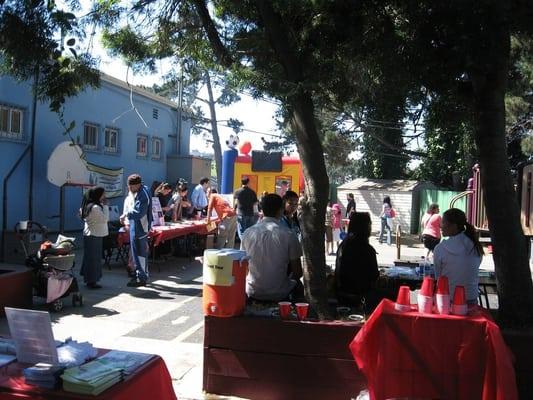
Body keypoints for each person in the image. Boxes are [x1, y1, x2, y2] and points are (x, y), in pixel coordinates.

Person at [242, 194, 303, 302]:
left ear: (262, 210)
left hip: (252, 291)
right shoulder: (288, 234)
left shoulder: (247, 233)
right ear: (281, 210)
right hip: (280, 293)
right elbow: (298, 272)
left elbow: (244, 266)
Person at [433, 208, 483, 305]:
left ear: (454, 226)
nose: (440, 226)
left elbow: (438, 278)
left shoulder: (440, 248)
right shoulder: (475, 245)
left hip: (448, 299)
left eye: (443, 223)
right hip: (471, 298)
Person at [335, 212, 379, 307]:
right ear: (366, 227)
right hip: (361, 296)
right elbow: (374, 276)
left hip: (342, 294)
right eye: (370, 224)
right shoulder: (368, 250)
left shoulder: (343, 245)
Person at [120, 174, 153, 287]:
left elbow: (139, 212)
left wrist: (126, 214)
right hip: (138, 225)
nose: (129, 189)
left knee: (139, 253)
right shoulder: (144, 190)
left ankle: (141, 277)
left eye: (131, 187)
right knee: (138, 252)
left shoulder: (142, 195)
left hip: (140, 227)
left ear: (137, 185)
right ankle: (142, 274)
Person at [80, 186, 109, 289]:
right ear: (98, 195)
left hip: (91, 234)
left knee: (90, 258)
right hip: (94, 235)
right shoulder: (95, 208)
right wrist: (105, 206)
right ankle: (92, 281)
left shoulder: (89, 206)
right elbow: (105, 219)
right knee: (94, 259)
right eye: (103, 194)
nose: (104, 196)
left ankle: (89, 279)